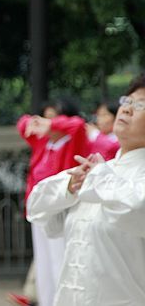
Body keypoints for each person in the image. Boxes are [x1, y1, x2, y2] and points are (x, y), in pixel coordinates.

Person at [27, 74, 145, 305]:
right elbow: (37, 209)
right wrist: (69, 187)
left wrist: (99, 178)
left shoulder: (103, 174)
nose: (128, 110)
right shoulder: (96, 170)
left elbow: (136, 210)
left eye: (140, 105)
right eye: (127, 101)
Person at [15, 99, 89, 306]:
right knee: (44, 264)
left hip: (62, 208)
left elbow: (78, 124)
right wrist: (37, 122)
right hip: (41, 210)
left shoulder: (73, 139)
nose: (48, 122)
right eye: (46, 117)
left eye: (54, 117)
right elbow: (22, 124)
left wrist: (53, 124)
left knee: (61, 262)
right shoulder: (42, 142)